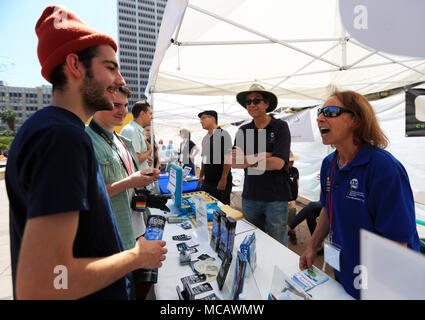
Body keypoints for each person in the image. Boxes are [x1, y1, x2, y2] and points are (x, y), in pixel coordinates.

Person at [5, 6, 167, 300]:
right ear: (76, 66)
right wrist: (137, 256)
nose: (119, 80)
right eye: (110, 67)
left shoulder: (53, 130)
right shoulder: (61, 138)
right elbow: (43, 286)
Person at [300, 89, 420, 299]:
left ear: (355, 119)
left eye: (330, 111)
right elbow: (328, 209)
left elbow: (397, 241)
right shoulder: (329, 164)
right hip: (345, 272)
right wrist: (312, 246)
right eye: (320, 112)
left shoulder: (384, 168)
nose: (320, 118)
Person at [86, 86, 161, 299]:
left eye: (125, 105)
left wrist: (143, 177)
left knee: (143, 288)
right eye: (115, 105)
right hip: (115, 239)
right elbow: (88, 197)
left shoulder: (120, 141)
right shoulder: (86, 140)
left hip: (137, 228)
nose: (122, 110)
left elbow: (129, 184)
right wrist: (129, 182)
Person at [232, 83, 292, 247]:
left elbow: (278, 163)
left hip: (276, 198)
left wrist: (247, 158)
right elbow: (235, 163)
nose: (251, 104)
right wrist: (265, 155)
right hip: (250, 197)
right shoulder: (243, 130)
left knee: (277, 244)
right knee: (253, 243)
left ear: (266, 104)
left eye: (256, 100)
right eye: (248, 102)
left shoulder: (280, 127)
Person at [197, 110, 233, 204]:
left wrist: (223, 178)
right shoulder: (205, 138)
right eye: (200, 119)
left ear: (212, 119)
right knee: (206, 206)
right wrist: (201, 176)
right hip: (207, 180)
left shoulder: (223, 135)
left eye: (203, 118)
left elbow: (228, 157)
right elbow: (204, 159)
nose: (201, 121)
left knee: (221, 209)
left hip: (220, 181)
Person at [120, 101, 153, 172]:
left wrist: (146, 159)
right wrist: (149, 151)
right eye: (150, 114)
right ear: (142, 114)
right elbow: (136, 160)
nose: (152, 117)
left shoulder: (135, 130)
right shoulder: (132, 130)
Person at [287, 151, 300, 227]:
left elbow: (297, 182)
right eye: (290, 161)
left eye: (293, 161)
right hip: (284, 198)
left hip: (293, 198)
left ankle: (290, 227)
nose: (292, 162)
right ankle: (289, 227)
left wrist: (295, 195)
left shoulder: (295, 170)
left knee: (292, 210)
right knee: (291, 210)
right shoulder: (282, 171)